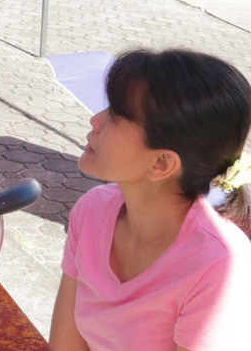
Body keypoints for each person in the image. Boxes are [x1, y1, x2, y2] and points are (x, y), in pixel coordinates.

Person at [49, 49, 251, 351]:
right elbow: (65, 344)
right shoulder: (92, 210)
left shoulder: (218, 263)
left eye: (116, 114)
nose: (95, 120)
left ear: (161, 164)